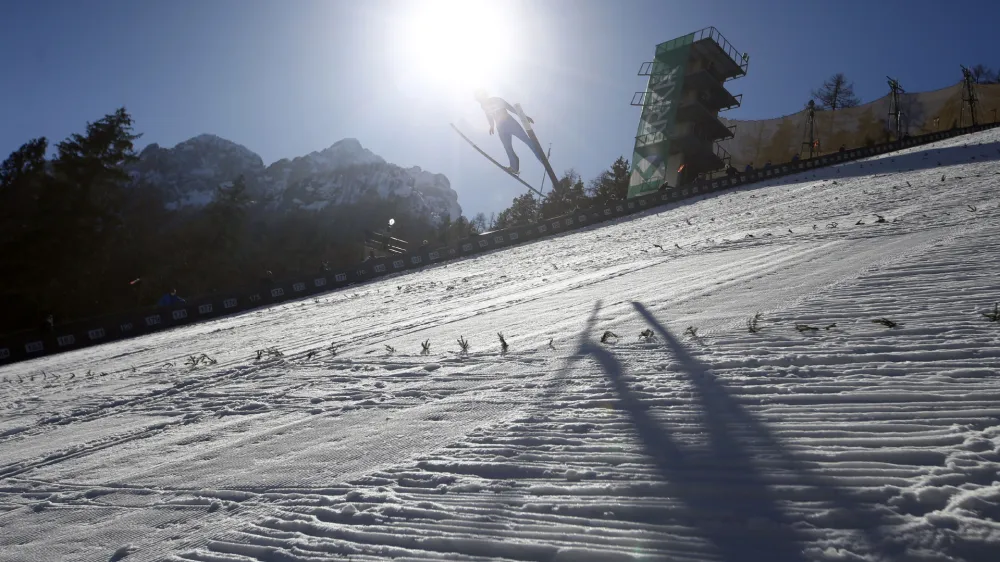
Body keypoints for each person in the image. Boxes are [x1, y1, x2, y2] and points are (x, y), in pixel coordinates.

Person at [474, 89, 548, 175]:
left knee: (526, 140)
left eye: (480, 100)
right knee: (507, 147)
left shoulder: (496, 99)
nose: (481, 103)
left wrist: (524, 116)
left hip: (509, 122)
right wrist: (491, 125)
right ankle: (514, 167)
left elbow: (510, 107)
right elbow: (488, 115)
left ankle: (542, 158)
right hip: (500, 127)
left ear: (484, 96)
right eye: (479, 101)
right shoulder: (483, 106)